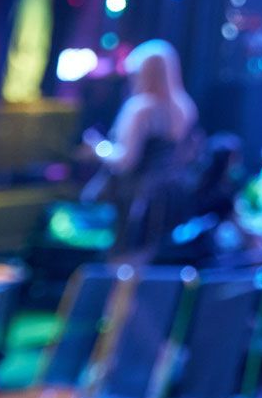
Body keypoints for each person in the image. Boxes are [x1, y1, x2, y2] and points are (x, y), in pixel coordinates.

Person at [85, 38, 201, 254]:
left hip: (134, 201)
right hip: (171, 199)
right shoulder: (185, 106)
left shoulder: (141, 108)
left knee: (121, 265)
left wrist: (97, 148)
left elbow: (125, 161)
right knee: (154, 267)